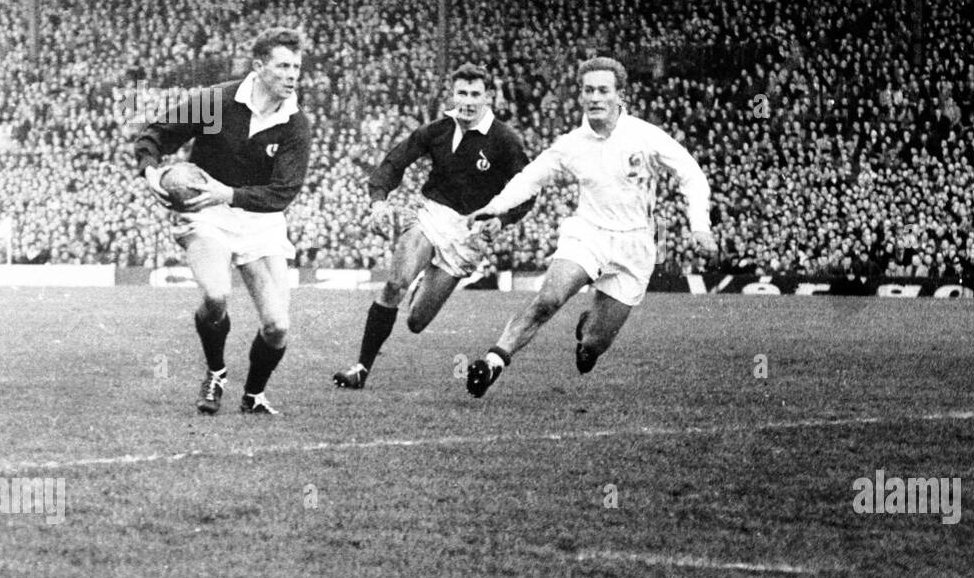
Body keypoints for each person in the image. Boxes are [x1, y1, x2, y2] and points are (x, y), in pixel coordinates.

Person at [462, 56, 717, 397]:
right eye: (588, 90)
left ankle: (588, 336)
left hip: (635, 247)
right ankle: (493, 361)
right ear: (580, 96)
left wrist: (699, 225)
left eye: (603, 90)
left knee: (594, 344)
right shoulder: (571, 144)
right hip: (588, 234)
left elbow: (692, 174)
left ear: (620, 95)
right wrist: (494, 208)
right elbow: (530, 179)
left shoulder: (646, 136)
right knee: (549, 299)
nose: (595, 97)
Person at [135, 26, 311, 415]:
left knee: (278, 327)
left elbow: (283, 192)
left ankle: (253, 396)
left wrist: (228, 193)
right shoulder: (218, 102)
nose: (292, 75)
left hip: (260, 217)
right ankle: (216, 372)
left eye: (297, 67)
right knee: (216, 296)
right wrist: (151, 172)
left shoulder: (295, 122)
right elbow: (156, 134)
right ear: (259, 66)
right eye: (283, 66)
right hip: (207, 212)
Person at [332, 63, 532, 389]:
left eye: (474, 94)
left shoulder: (505, 140)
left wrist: (503, 219)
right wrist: (379, 199)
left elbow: (528, 190)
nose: (467, 101)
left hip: (470, 234)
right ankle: (360, 369)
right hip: (431, 214)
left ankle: (420, 280)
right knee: (395, 283)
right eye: (461, 93)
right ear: (453, 94)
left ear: (488, 97)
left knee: (416, 321)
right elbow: (396, 160)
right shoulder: (438, 130)